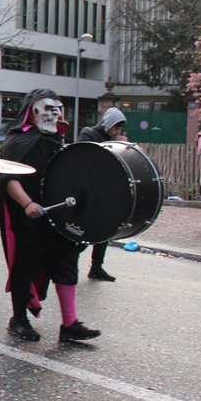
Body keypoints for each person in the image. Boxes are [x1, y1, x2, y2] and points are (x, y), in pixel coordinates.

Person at [0, 89, 100, 343]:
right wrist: (28, 204)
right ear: (31, 111)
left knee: (66, 266)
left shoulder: (59, 142)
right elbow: (8, 179)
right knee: (26, 267)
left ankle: (70, 323)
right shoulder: (17, 142)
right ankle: (18, 319)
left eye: (57, 108)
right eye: (47, 107)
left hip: (59, 217)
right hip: (31, 219)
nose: (53, 113)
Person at [78, 107, 128, 280]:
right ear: (107, 124)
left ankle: (96, 267)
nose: (117, 132)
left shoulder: (114, 139)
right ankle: (69, 262)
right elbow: (85, 155)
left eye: (119, 129)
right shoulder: (88, 133)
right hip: (88, 189)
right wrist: (114, 145)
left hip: (104, 189)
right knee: (84, 231)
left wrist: (124, 147)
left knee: (106, 228)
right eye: (115, 128)